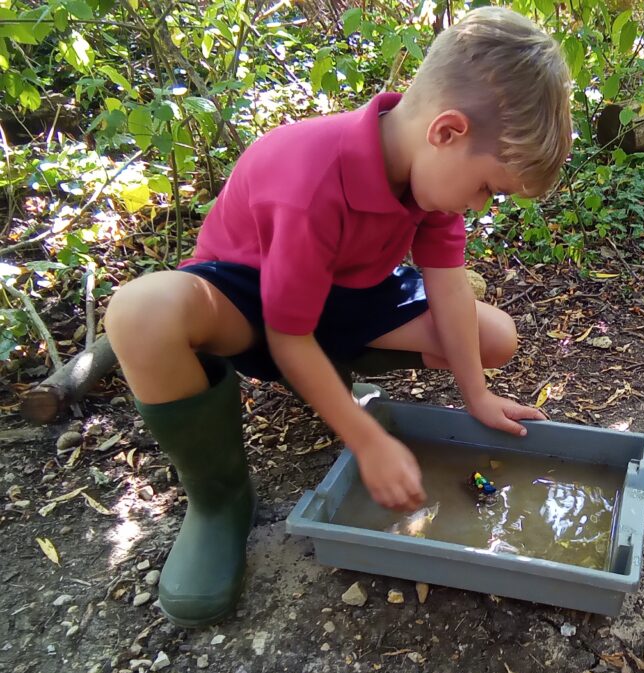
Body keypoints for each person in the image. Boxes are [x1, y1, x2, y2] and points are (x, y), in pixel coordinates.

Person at [104, 6, 573, 628]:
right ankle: (218, 503)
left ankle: (333, 386)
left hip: (345, 296)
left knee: (493, 335)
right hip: (248, 301)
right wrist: (366, 438)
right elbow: (285, 331)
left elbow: (449, 287)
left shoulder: (429, 176)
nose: (481, 205)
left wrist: (477, 395)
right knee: (140, 311)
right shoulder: (312, 174)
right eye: (488, 188)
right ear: (447, 131)